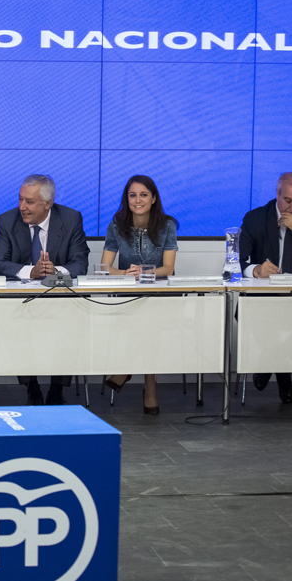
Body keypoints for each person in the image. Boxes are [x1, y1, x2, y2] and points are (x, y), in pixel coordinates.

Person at [0, 174, 89, 405]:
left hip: (60, 301)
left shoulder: (71, 219)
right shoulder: (6, 220)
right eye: (20, 199)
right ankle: (31, 386)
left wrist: (56, 271)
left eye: (29, 202)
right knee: (12, 321)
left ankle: (56, 389)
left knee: (74, 318)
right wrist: (29, 271)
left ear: (48, 203)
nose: (22, 207)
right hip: (20, 303)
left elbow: (80, 263)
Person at [100, 175, 178, 415]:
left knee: (148, 320)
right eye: (132, 195)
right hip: (127, 293)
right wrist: (125, 273)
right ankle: (150, 387)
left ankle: (130, 371)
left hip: (158, 293)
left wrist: (143, 272)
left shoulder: (167, 225)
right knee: (143, 321)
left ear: (154, 199)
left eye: (144, 195)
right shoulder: (116, 224)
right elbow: (104, 267)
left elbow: (168, 269)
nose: (137, 200)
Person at [239, 171, 292, 404]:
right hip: (265, 295)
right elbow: (235, 262)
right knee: (249, 312)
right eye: (287, 201)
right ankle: (283, 375)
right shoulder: (255, 218)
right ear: (277, 194)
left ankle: (270, 363)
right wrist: (255, 270)